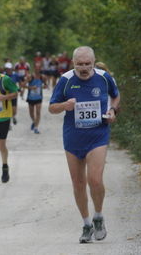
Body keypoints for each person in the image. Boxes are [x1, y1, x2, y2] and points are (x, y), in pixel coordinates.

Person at [48, 46, 120, 243]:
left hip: (98, 135)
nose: (84, 68)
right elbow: (52, 108)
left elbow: (116, 95)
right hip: (73, 138)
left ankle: (98, 216)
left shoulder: (104, 78)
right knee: (78, 184)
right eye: (80, 64)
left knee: (95, 180)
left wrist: (113, 110)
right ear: (73, 63)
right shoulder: (66, 80)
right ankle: (86, 224)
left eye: (88, 64)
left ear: (94, 63)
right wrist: (64, 105)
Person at [24, 65, 45, 134]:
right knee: (31, 113)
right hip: (31, 98)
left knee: (38, 112)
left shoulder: (42, 77)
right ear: (34, 69)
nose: (38, 70)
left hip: (39, 97)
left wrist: (44, 86)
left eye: (39, 68)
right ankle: (34, 121)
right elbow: (23, 85)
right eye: (36, 68)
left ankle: (36, 127)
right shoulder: (30, 77)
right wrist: (31, 87)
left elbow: (45, 85)